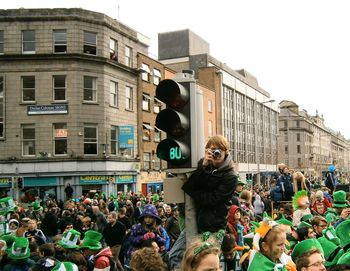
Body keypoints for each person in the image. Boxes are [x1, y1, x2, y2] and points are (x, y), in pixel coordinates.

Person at [182, 135, 238, 233]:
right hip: (193, 222)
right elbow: (189, 186)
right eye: (213, 149)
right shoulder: (203, 165)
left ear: (226, 151)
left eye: (219, 149)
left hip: (213, 228)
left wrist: (194, 193)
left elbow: (212, 200)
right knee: (177, 249)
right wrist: (203, 167)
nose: (216, 152)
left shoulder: (231, 176)